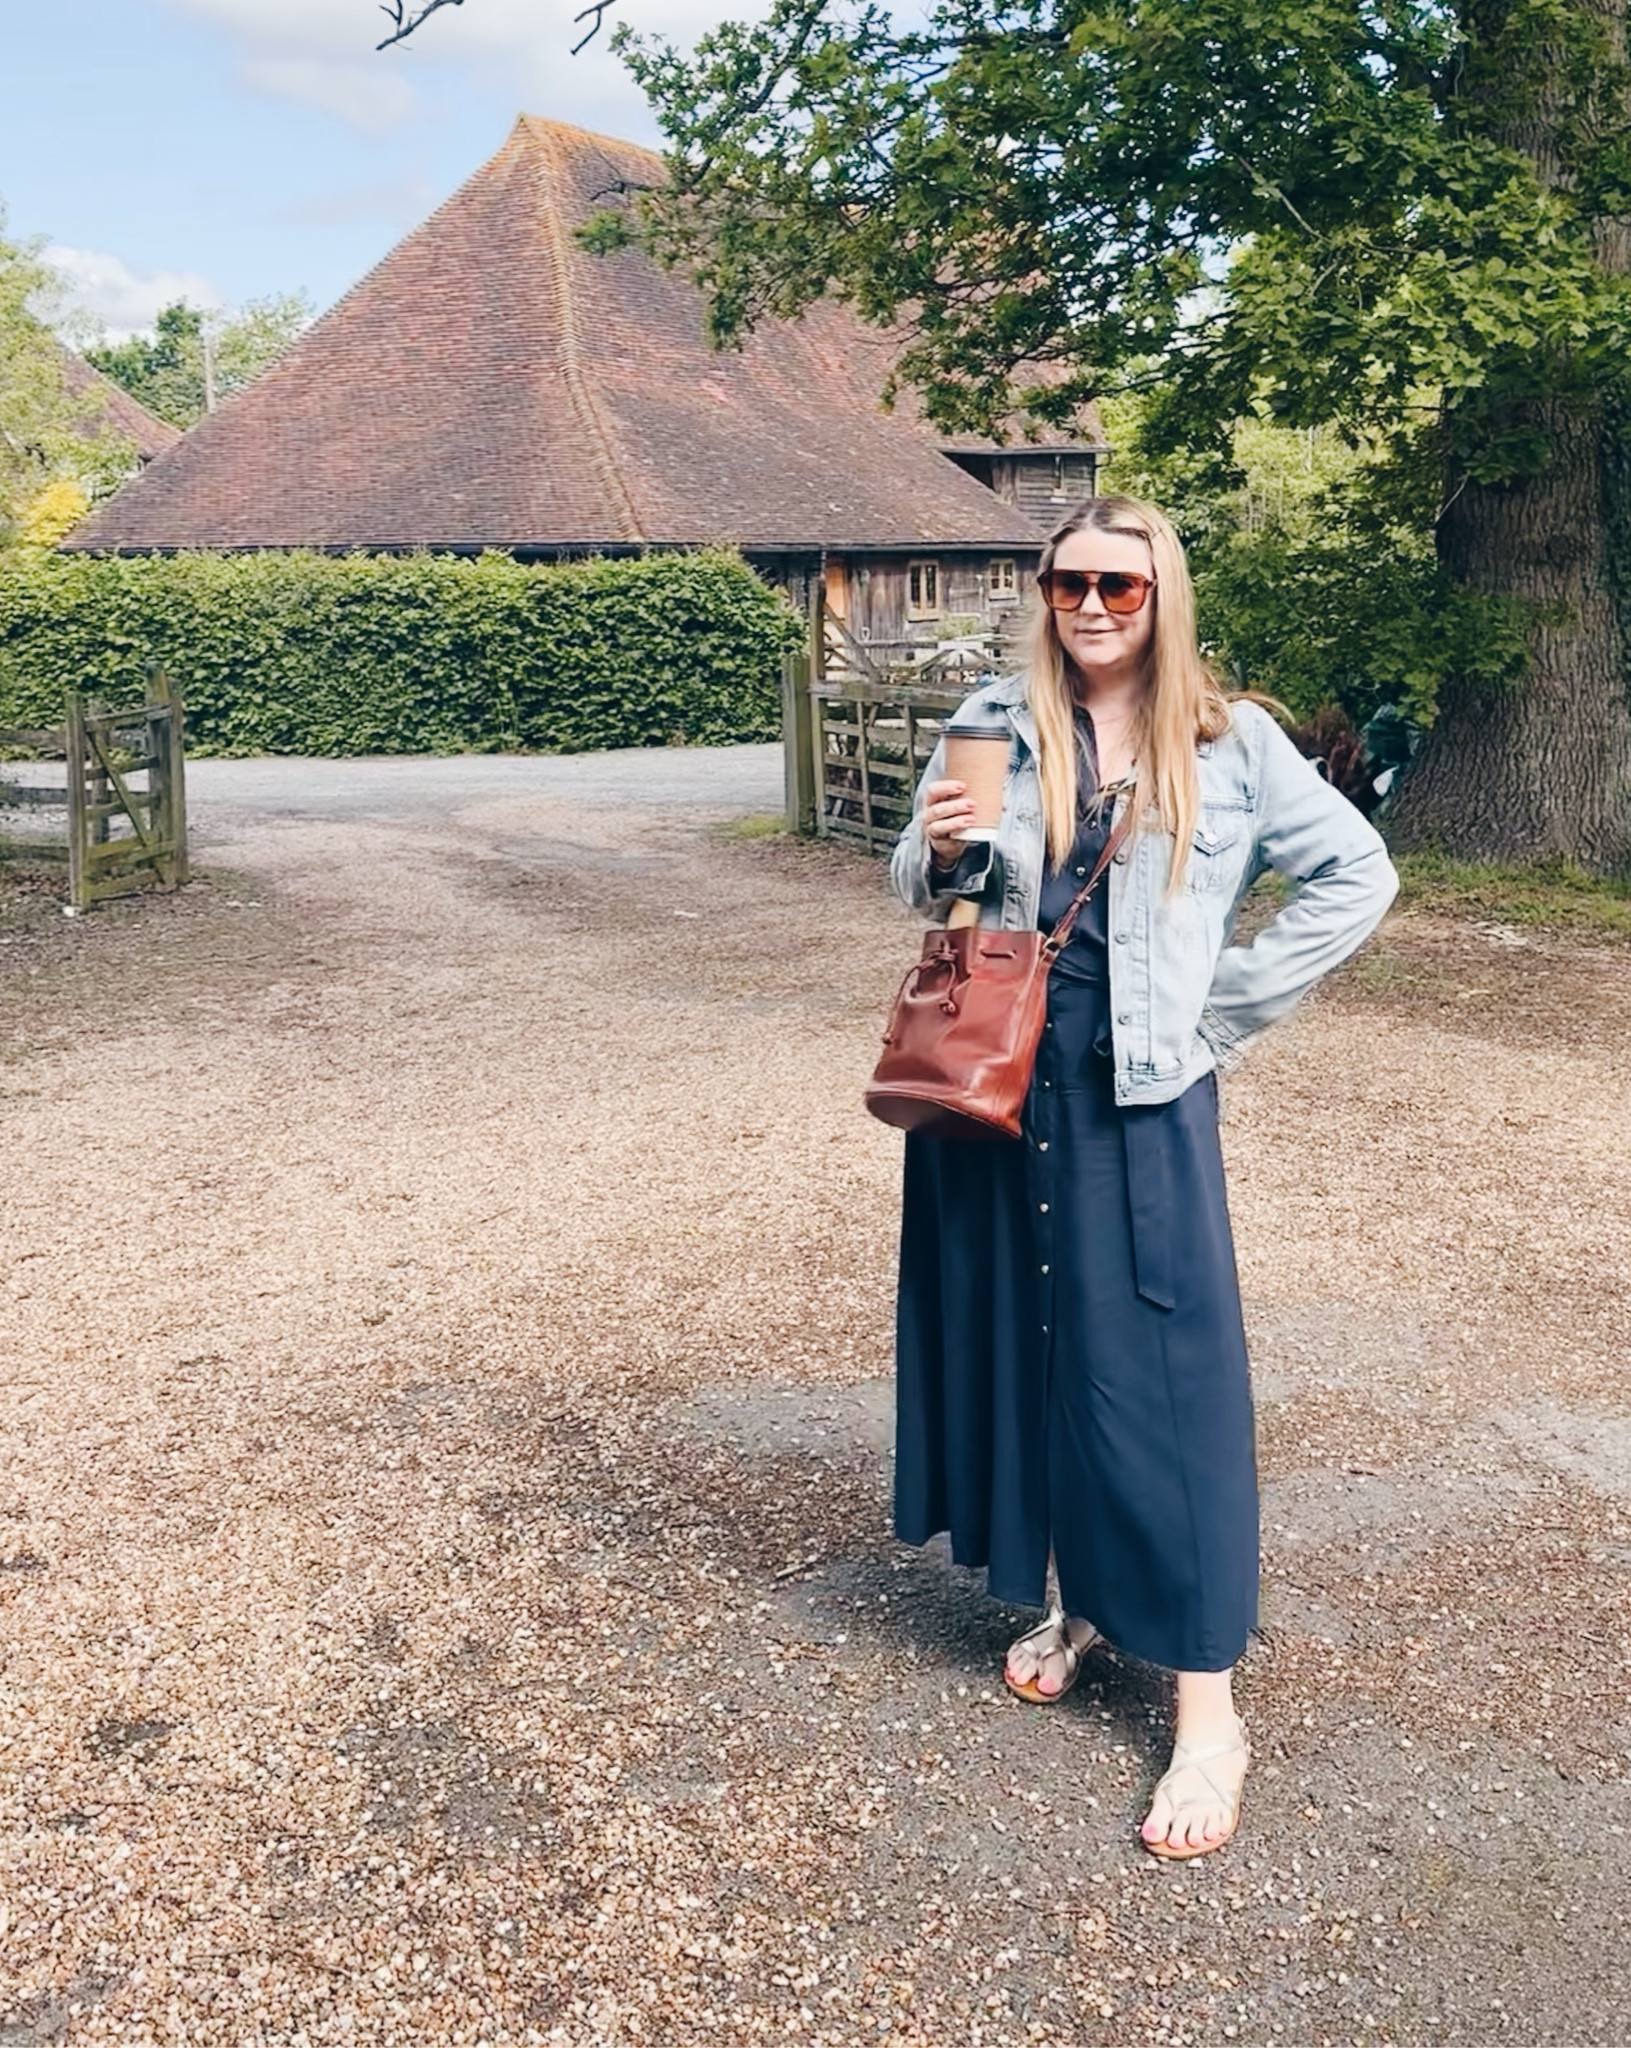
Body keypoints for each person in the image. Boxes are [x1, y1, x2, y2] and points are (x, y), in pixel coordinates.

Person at [889, 493, 1398, 1860]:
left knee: (1160, 1378)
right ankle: (1078, 1596)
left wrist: (1222, 1015)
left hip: (1136, 1093)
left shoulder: (1230, 742)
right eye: (1071, 583)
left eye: (1122, 584)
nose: (1095, 606)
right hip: (993, 1084)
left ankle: (1207, 1708)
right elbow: (914, 879)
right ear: (1046, 593)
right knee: (1036, 1347)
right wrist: (936, 850)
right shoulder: (997, 717)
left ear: (1162, 594)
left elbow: (1357, 874)